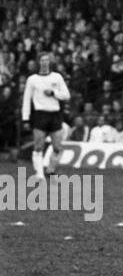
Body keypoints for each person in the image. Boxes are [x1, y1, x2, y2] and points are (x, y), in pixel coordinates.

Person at [22, 52, 70, 180]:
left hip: (55, 114)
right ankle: (39, 173)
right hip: (40, 114)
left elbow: (66, 95)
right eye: (42, 60)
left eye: (47, 60)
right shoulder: (32, 79)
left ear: (50, 62)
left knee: (57, 147)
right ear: (39, 62)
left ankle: (50, 170)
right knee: (38, 145)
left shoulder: (57, 77)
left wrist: (53, 93)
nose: (44, 62)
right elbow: (26, 100)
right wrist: (25, 118)